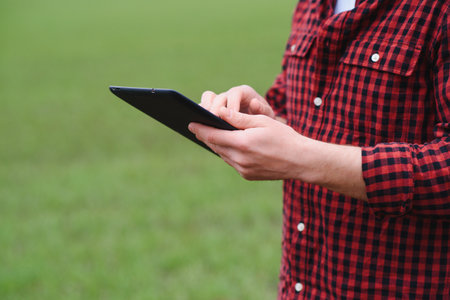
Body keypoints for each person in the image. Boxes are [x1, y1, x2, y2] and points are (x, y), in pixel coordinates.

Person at [188, 0, 450, 298]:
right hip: (302, 286)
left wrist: (301, 158)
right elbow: (301, 113)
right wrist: (261, 119)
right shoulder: (310, 5)